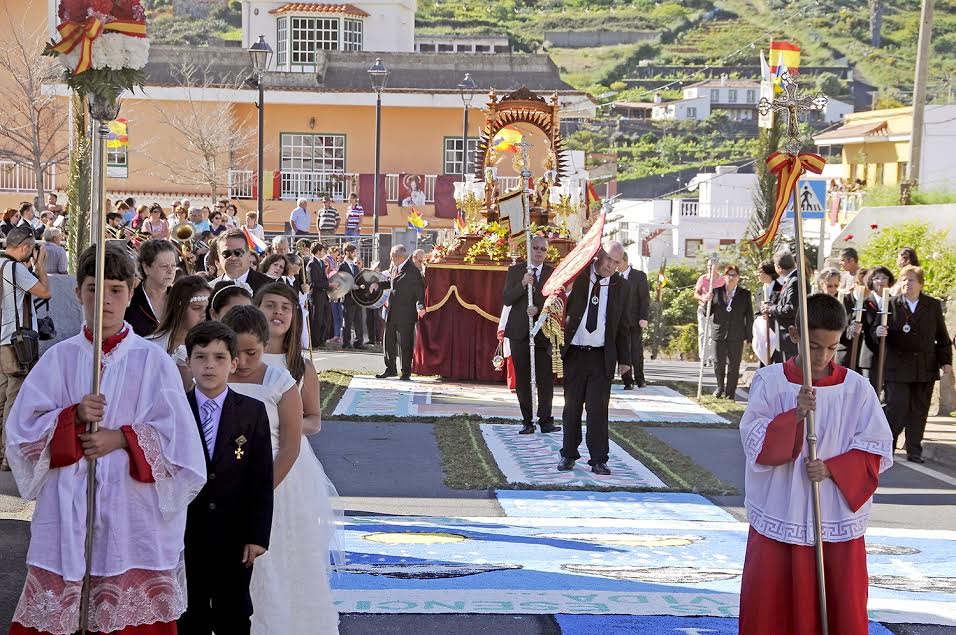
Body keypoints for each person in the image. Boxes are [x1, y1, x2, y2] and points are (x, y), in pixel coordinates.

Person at [5, 243, 206, 634]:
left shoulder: (153, 363)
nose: (105, 300)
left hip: (132, 512)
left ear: (131, 293)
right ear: (79, 292)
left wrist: (122, 438)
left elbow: (182, 450)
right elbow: (21, 433)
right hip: (69, 506)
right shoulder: (59, 359)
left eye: (116, 289)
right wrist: (71, 418)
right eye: (95, 288)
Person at [738, 293, 893, 635]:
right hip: (783, 507)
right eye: (815, 346)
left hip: (833, 511)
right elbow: (755, 443)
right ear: (794, 335)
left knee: (839, 603)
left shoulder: (857, 389)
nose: (822, 356)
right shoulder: (770, 382)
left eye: (832, 347)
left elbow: (876, 448)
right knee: (772, 603)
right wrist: (794, 416)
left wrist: (833, 469)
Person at [220, 305, 341, 634]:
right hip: (220, 485)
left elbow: (291, 444)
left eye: (251, 353)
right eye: (235, 353)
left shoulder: (280, 381)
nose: (242, 362)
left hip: (273, 482)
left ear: (263, 346)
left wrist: (259, 493)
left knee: (275, 564)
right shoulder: (213, 376)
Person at [179, 321, 274, 635]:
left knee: (233, 613)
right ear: (188, 361)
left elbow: (260, 478)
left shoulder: (252, 411)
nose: (209, 365)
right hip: (184, 533)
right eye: (201, 356)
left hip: (234, 535)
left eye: (219, 357)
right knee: (188, 613)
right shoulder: (175, 410)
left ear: (234, 363)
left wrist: (257, 535)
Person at [558, 241, 631, 476]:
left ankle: (599, 459)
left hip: (601, 356)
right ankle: (568, 455)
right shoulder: (578, 276)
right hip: (575, 353)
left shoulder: (621, 286)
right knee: (571, 408)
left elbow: (623, 325)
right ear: (599, 255)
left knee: (598, 410)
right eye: (608, 259)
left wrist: (625, 360)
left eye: (616, 262)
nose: (610, 265)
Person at [875, 265, 952, 463]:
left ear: (920, 284)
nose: (906, 284)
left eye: (911, 280)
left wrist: (946, 363)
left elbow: (942, 337)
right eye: (903, 280)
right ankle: (887, 450)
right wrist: (879, 332)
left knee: (919, 411)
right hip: (897, 367)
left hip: (923, 367)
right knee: (896, 409)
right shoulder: (891, 304)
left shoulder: (931, 305)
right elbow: (876, 330)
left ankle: (914, 450)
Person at [0, 227, 52, 472]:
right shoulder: (16, 269)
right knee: (15, 399)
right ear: (25, 248)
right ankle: (8, 456)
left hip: (1, 341)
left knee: (1, 400)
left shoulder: (2, 265)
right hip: (14, 344)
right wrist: (40, 265)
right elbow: (45, 292)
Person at [502, 236, 559, 434]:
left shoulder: (553, 273)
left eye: (543, 249)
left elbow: (556, 301)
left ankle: (546, 420)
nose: (539, 252)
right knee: (524, 379)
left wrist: (539, 309)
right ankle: (527, 420)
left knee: (544, 379)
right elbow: (507, 299)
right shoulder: (516, 270)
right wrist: (522, 284)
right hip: (519, 332)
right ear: (529, 249)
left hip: (543, 332)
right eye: (535, 248)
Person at [255, 283, 322, 434]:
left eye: (285, 308)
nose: (278, 311)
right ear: (256, 310)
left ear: (293, 317)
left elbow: (314, 421)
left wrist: (274, 424)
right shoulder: (239, 360)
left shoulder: (303, 366)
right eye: (270, 306)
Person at [148, 275, 211, 389]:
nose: (203, 314)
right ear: (179, 307)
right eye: (196, 308)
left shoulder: (217, 347)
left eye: (208, 309)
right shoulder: (151, 346)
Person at [375, 244, 425, 380]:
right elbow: (392, 283)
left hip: (406, 313)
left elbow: (419, 290)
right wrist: (378, 285)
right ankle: (390, 369)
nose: (390, 259)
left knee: (405, 344)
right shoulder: (394, 268)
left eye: (392, 256)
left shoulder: (412, 271)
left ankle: (406, 372)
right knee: (389, 341)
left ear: (398, 257)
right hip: (392, 312)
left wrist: (421, 306)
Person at [710, 265, 753, 400]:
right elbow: (708, 312)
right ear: (724, 277)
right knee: (718, 362)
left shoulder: (745, 294)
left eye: (734, 275)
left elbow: (749, 316)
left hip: (736, 334)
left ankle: (730, 392)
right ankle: (720, 387)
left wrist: (749, 337)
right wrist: (707, 300)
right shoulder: (716, 292)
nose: (731, 277)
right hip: (719, 332)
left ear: (738, 278)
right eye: (728, 275)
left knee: (734, 365)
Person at [126, 239, 178, 336]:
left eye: (173, 266)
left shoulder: (179, 299)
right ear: (146, 268)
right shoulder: (130, 301)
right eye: (164, 266)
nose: (171, 271)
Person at [857, 266, 894, 390]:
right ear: (871, 281)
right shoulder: (865, 302)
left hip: (890, 356)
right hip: (870, 355)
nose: (881, 281)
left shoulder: (895, 302)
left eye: (884, 277)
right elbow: (856, 322)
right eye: (877, 278)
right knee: (871, 392)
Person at [618, 252, 650, 389]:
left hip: (634, 320)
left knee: (635, 351)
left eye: (617, 262)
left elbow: (644, 299)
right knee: (623, 351)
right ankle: (627, 381)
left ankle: (639, 378)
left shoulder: (639, 276)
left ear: (625, 261)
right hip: (618, 322)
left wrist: (644, 317)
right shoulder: (613, 277)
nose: (615, 265)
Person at [762, 251, 799, 361]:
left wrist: (771, 308)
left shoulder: (795, 281)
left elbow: (791, 308)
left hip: (790, 336)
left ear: (779, 267)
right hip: (786, 338)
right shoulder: (791, 279)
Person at [212, 229, 274, 295]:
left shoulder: (270, 287)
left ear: (249, 255)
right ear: (219, 257)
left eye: (238, 252)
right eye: (227, 253)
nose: (233, 257)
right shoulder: (210, 289)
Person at [693, 260, 724, 366]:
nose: (710, 267)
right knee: (702, 333)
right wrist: (703, 298)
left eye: (712, 266)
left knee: (713, 334)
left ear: (717, 266)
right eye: (708, 266)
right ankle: (703, 357)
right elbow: (696, 294)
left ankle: (711, 357)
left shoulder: (722, 279)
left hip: (716, 310)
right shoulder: (703, 278)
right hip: (703, 309)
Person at [756, 260, 784, 367]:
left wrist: (771, 313)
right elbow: (756, 312)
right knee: (764, 366)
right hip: (763, 335)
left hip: (777, 333)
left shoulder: (781, 288)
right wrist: (760, 318)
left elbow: (782, 308)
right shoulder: (759, 291)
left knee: (778, 365)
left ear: (769, 273)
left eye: (761, 272)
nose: (758, 274)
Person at [338, 243, 365, 349]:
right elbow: (341, 282)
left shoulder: (355, 266)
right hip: (347, 298)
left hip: (357, 298)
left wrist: (361, 285)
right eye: (353, 252)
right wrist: (351, 286)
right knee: (347, 322)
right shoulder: (342, 266)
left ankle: (359, 342)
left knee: (358, 320)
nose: (355, 254)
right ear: (347, 252)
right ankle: (346, 343)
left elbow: (359, 279)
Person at [308, 244, 331, 347]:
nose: (324, 253)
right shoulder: (312, 264)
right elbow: (313, 283)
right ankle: (315, 341)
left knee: (324, 318)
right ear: (318, 251)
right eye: (323, 251)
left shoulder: (321, 262)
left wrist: (328, 285)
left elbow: (324, 279)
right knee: (317, 318)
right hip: (316, 295)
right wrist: (328, 284)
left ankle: (322, 339)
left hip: (323, 295)